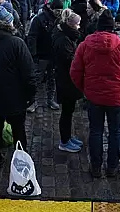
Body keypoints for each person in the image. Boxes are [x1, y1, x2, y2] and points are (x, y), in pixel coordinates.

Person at [70, 10, 120, 178]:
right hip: (116, 97)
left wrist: (85, 88)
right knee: (116, 131)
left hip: (94, 97)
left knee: (95, 131)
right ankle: (113, 167)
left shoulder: (85, 45)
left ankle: (95, 167)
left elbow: (75, 72)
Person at [0, 6, 36, 171]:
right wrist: (31, 94)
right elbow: (29, 72)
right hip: (15, 96)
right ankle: (21, 159)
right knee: (18, 129)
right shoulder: (17, 43)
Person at [51, 9, 83, 153]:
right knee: (66, 112)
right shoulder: (63, 39)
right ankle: (64, 141)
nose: (79, 27)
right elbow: (68, 60)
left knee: (69, 111)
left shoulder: (67, 36)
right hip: (65, 79)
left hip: (68, 79)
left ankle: (68, 137)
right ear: (71, 25)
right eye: (78, 24)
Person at [27, 0, 63, 112]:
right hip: (41, 54)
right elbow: (32, 36)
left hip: (54, 55)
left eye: (60, 10)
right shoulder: (39, 19)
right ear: (51, 8)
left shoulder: (60, 20)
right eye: (57, 10)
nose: (59, 12)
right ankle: (33, 101)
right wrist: (33, 53)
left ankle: (50, 99)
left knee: (52, 79)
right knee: (37, 79)